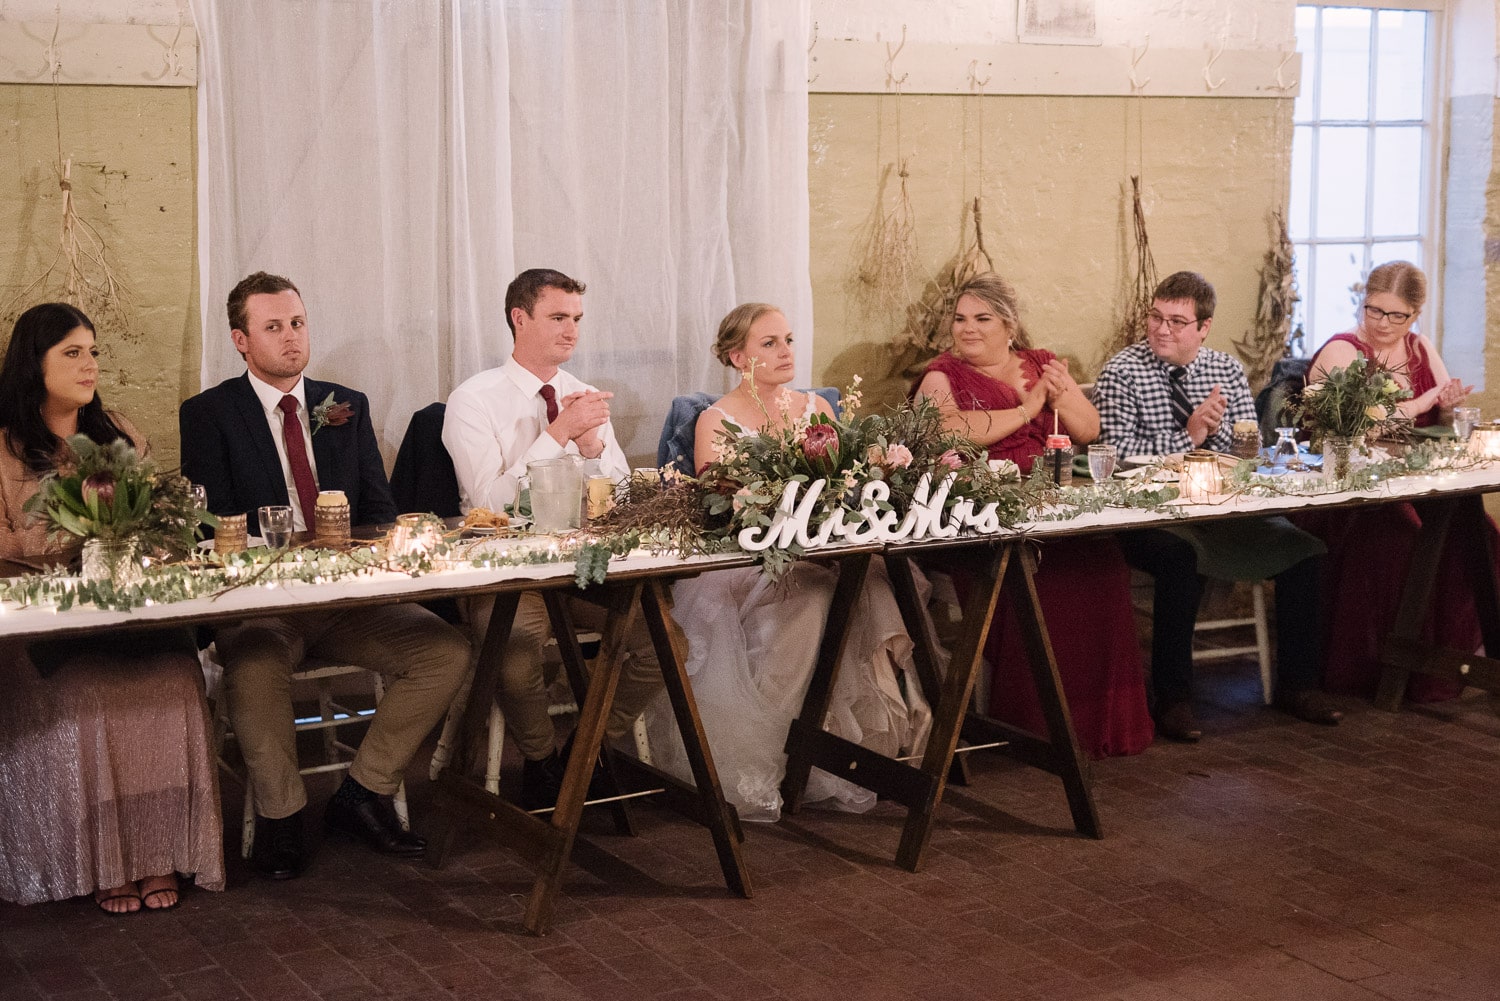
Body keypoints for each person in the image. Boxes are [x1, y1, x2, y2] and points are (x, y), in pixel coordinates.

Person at [180, 271, 469, 878]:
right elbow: (212, 526)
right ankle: (283, 818)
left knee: (445, 650)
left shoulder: (345, 406)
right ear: (240, 339)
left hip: (346, 600)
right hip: (262, 605)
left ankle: (363, 793)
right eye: (273, 327)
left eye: (298, 323)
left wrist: (360, 563)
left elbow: (379, 509)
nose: (291, 338)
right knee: (255, 668)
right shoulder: (209, 414)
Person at [643, 302, 932, 820]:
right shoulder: (716, 419)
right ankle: (777, 752)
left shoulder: (815, 411)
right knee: (812, 604)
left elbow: (841, 488)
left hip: (819, 550)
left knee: (873, 587)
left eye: (789, 340)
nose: (785, 352)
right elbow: (723, 505)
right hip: (748, 560)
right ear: (737, 356)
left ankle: (878, 743)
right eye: (769, 343)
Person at [0, 302, 222, 914]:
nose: (89, 364)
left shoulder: (119, 434)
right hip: (44, 629)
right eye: (72, 353)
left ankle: (157, 854)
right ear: (32, 364)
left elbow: (160, 525)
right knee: (93, 695)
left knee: (177, 680)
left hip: (126, 617)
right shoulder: (5, 448)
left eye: (93, 351)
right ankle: (105, 861)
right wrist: (73, 540)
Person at [442, 268, 661, 810]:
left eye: (578, 319)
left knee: (663, 645)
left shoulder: (581, 395)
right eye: (558, 317)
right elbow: (488, 506)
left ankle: (583, 756)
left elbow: (619, 496)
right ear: (520, 318)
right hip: (503, 568)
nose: (572, 332)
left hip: (581, 568)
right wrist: (558, 434)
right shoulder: (473, 399)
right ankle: (540, 761)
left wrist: (590, 453)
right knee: (515, 646)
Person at [912, 274, 1153, 758]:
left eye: (982, 319)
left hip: (1054, 505)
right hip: (984, 516)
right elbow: (946, 433)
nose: (968, 329)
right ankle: (1035, 725)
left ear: (1009, 325)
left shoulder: (1041, 363)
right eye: (960, 319)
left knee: (1104, 564)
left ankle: (1099, 719)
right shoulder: (940, 376)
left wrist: (1059, 396)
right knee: (1041, 582)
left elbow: (1088, 429)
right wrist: (1027, 411)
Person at [1094, 271, 1339, 741]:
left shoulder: (1224, 370)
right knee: (1177, 559)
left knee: (1303, 548)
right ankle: (1174, 698)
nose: (1162, 330)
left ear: (1203, 328)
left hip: (1222, 508)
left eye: (1177, 321)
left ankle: (1299, 685)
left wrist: (1213, 438)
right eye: (1156, 317)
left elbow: (1247, 448)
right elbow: (1119, 458)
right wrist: (1189, 436)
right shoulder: (1122, 372)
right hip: (1151, 513)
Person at [1298, 261, 1492, 702]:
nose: (1383, 323)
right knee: (1405, 541)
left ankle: (1463, 655)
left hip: (1413, 480)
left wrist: (1448, 407)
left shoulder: (1421, 349)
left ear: (1416, 313)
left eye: (1396, 315)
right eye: (1374, 311)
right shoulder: (1342, 351)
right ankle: (1387, 672)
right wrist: (1426, 398)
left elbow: (1440, 416)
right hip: (1349, 493)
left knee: (1479, 534)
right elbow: (1363, 422)